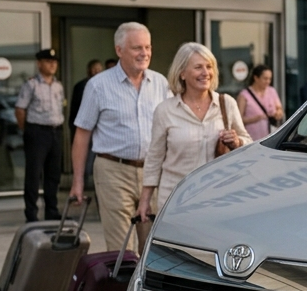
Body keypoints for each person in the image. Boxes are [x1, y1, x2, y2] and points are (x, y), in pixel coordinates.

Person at [71, 22, 171, 251]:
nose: (144, 53)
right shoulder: (98, 86)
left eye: (147, 47)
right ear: (119, 50)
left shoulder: (161, 83)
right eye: (137, 48)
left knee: (153, 248)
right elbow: (82, 135)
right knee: (121, 249)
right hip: (113, 172)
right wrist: (78, 181)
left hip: (152, 173)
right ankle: (124, 276)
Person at [137, 43, 249, 225]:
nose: (206, 73)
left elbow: (249, 143)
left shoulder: (226, 104)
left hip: (218, 200)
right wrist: (145, 200)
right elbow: (154, 157)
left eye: (209, 66)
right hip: (175, 202)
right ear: (182, 73)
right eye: (198, 67)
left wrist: (237, 142)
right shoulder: (165, 110)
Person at [16, 48, 66, 222]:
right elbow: (20, 110)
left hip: (55, 131)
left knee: (53, 174)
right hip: (37, 132)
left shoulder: (58, 86)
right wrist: (28, 131)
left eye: (54, 62)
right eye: (48, 61)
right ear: (39, 64)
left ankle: (51, 210)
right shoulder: (31, 85)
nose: (52, 65)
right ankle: (31, 213)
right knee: (34, 174)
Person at [70, 58, 104, 192]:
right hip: (86, 130)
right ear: (89, 70)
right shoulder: (81, 86)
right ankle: (81, 186)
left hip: (101, 133)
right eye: (94, 69)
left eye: (99, 69)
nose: (97, 72)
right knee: (84, 163)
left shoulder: (105, 86)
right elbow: (74, 112)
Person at [238, 64, 283, 141]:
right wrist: (257, 118)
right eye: (265, 78)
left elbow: (279, 109)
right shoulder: (244, 95)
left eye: (269, 79)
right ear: (256, 78)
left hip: (270, 137)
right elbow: (238, 120)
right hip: (252, 138)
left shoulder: (272, 91)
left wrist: (278, 114)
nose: (268, 81)